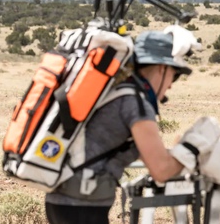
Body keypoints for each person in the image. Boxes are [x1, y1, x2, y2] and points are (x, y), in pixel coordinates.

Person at [44, 29, 204, 224]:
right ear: (162, 68)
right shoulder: (135, 103)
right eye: (175, 74)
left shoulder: (118, 92)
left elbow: (142, 153)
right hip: (83, 205)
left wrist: (174, 153)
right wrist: (193, 148)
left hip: (63, 200)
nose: (171, 84)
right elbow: (161, 171)